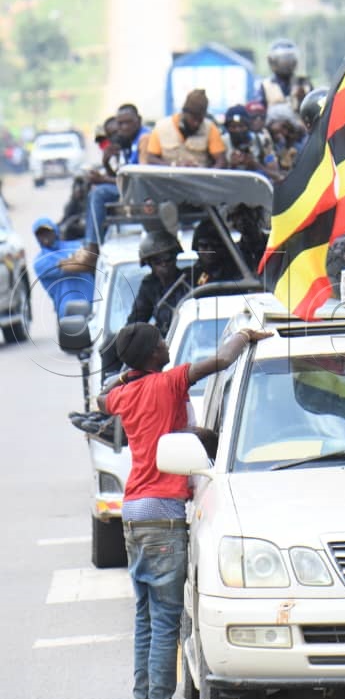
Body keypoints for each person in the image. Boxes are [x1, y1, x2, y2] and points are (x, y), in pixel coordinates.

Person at [99, 321, 271, 699]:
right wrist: (245, 335)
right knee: (165, 619)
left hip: (133, 511)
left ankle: (143, 694)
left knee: (146, 616)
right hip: (163, 511)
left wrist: (126, 376)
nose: (166, 345)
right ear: (152, 355)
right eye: (161, 342)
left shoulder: (125, 394)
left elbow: (101, 399)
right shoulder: (169, 382)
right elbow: (222, 360)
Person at [85, 104, 152, 252]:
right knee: (95, 190)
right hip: (133, 188)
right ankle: (91, 241)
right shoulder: (129, 141)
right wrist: (105, 163)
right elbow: (121, 176)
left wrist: (103, 179)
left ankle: (92, 247)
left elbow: (140, 178)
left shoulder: (144, 138)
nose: (124, 127)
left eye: (128, 122)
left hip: (143, 190)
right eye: (121, 123)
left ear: (139, 120)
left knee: (99, 193)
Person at [127, 231, 194, 337]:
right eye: (158, 261)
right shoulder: (149, 287)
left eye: (168, 259)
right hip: (166, 341)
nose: (164, 264)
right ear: (149, 264)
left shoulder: (191, 278)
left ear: (175, 258)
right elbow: (135, 322)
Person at [144, 89, 226, 169]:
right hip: (169, 176)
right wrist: (174, 166)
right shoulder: (161, 127)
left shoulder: (210, 128)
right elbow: (151, 159)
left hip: (199, 176)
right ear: (184, 113)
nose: (196, 123)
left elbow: (221, 161)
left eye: (200, 120)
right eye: (193, 119)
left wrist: (208, 173)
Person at [32, 217, 94, 318]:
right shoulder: (40, 262)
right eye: (40, 234)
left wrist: (78, 261)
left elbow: (89, 262)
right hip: (69, 312)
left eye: (47, 232)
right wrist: (77, 259)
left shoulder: (75, 244)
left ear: (55, 232)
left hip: (94, 305)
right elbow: (71, 266)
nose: (44, 236)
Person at [222, 105, 279, 181]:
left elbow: (275, 174)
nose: (237, 130)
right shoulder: (222, 141)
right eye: (233, 127)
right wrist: (232, 165)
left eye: (241, 126)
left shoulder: (262, 141)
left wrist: (254, 164)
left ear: (248, 126)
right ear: (227, 128)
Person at [256, 38, 313, 113]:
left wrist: (301, 98)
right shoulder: (266, 85)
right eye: (283, 60)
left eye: (289, 59)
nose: (286, 64)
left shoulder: (304, 84)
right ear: (272, 61)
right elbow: (259, 111)